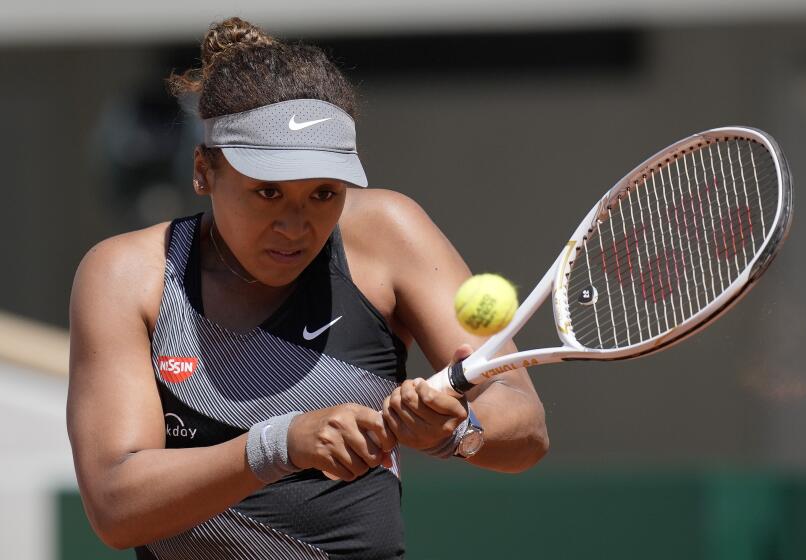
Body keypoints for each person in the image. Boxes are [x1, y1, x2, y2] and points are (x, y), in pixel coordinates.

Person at [67, 17, 549, 560]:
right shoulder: (126, 275)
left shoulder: (389, 233)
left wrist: (454, 431)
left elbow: (526, 430)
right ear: (204, 171)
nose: (295, 226)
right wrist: (280, 444)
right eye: (267, 192)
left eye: (323, 193)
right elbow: (115, 506)